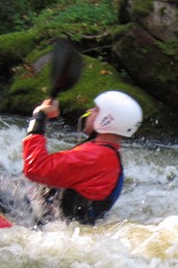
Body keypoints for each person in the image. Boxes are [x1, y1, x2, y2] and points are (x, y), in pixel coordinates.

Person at [22, 90, 142, 225]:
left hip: (49, 226)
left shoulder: (96, 155)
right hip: (56, 221)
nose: (89, 111)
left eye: (96, 110)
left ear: (107, 120)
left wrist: (39, 116)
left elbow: (35, 168)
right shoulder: (109, 154)